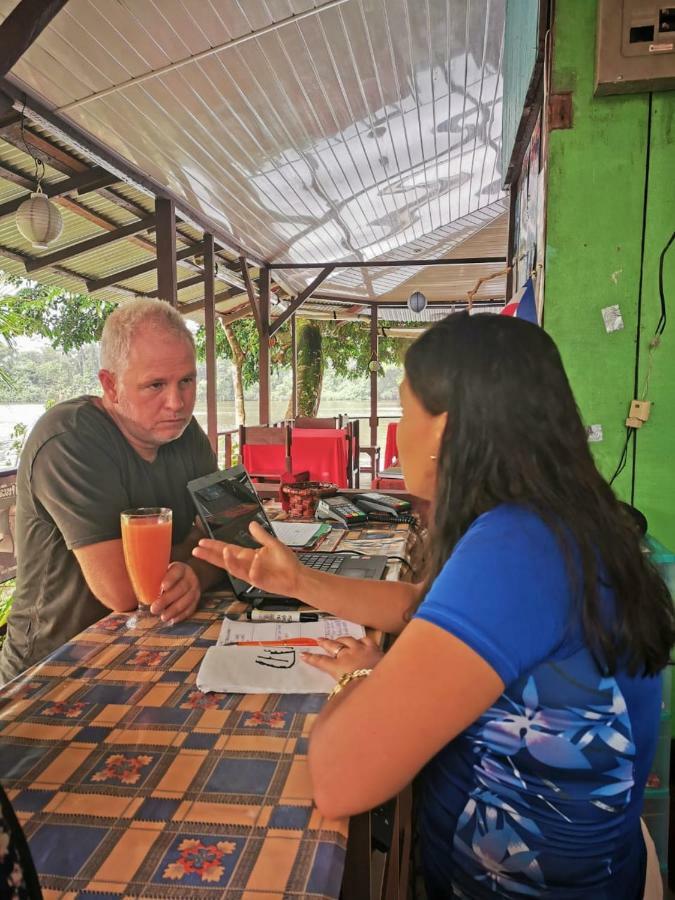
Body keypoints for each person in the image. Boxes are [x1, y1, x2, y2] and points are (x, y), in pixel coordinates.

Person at [193, 312, 675, 899]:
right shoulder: (555, 525)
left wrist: (365, 676)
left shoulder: (516, 550)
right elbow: (420, 604)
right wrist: (299, 580)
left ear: (444, 432)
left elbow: (340, 779)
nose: (397, 433)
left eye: (403, 409)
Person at [0, 299, 220, 686]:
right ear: (110, 386)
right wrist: (199, 554)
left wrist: (196, 573)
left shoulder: (185, 434)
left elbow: (234, 529)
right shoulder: (70, 439)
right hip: (52, 669)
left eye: (186, 381)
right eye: (155, 385)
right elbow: (127, 591)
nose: (177, 402)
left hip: (145, 650)